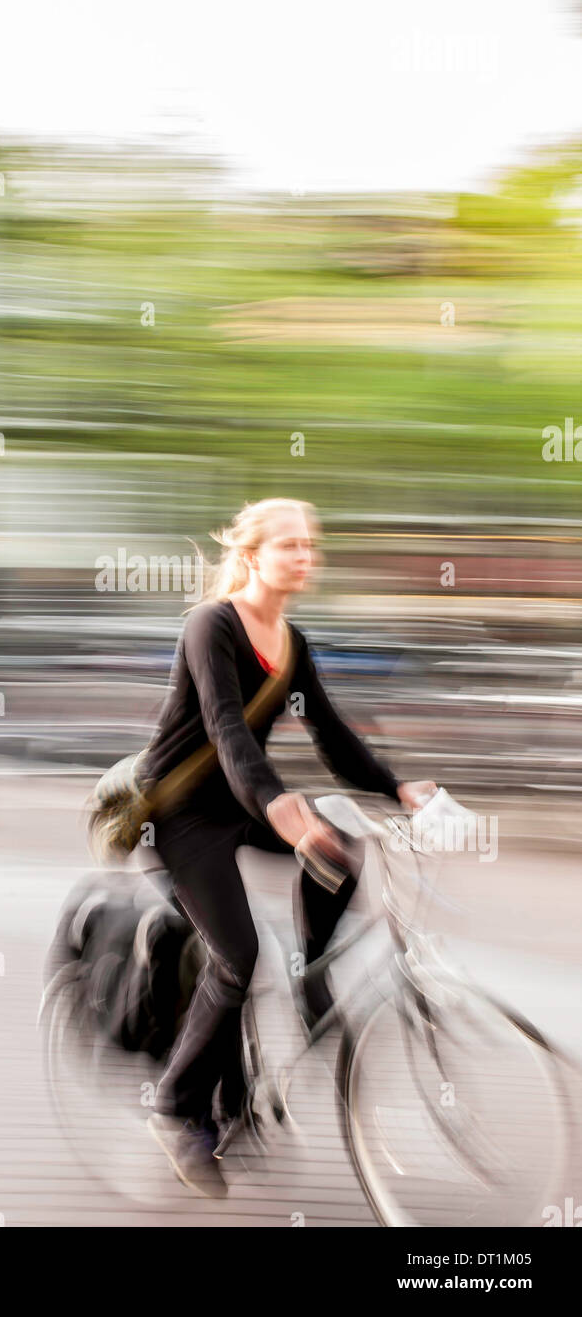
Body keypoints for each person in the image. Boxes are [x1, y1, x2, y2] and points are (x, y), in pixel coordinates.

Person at [140, 497, 437, 1198]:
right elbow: (225, 731)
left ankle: (310, 985)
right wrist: (278, 806)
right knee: (237, 956)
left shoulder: (293, 643)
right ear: (250, 556)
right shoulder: (209, 626)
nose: (306, 556)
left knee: (338, 851)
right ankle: (173, 1105)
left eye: (311, 545)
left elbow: (332, 737)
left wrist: (396, 789)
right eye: (290, 545)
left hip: (239, 805)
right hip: (180, 816)